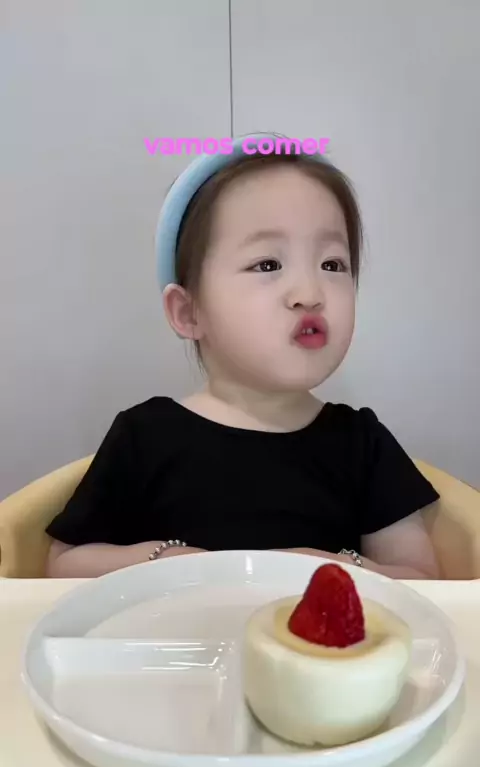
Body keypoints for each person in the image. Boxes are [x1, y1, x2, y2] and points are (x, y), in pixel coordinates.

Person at [45, 134, 440, 580]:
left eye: (332, 264)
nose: (310, 293)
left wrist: (332, 568)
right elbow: (63, 565)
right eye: (267, 265)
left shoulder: (362, 443)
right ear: (189, 312)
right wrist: (172, 562)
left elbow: (423, 580)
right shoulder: (144, 436)